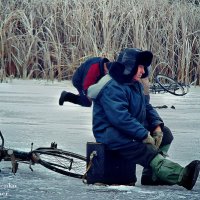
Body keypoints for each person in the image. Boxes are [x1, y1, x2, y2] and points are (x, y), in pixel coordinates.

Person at [87, 48, 200, 190]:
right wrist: (143, 134)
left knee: (165, 135)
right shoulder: (112, 86)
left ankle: (152, 176)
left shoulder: (135, 84)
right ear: (129, 66)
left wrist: (156, 126)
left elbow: (146, 107)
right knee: (143, 148)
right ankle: (181, 175)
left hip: (129, 128)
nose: (142, 70)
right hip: (110, 132)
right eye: (139, 66)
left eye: (143, 67)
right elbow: (120, 118)